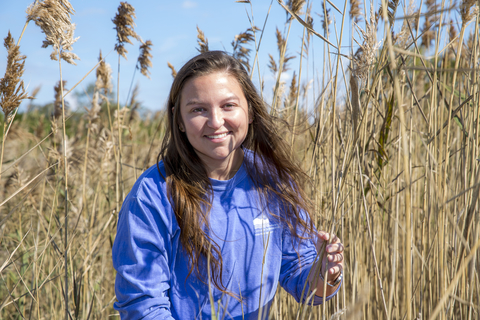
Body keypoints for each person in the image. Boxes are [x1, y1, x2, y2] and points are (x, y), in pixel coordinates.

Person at [112, 51, 344, 320]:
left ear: (250, 110)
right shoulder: (153, 195)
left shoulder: (273, 180)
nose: (216, 121)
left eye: (228, 106)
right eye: (198, 109)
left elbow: (302, 280)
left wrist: (324, 272)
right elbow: (143, 305)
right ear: (179, 120)